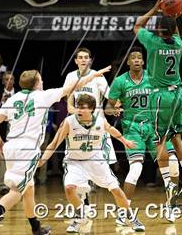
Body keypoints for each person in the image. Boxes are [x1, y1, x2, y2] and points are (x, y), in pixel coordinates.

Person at [0, 66, 111, 235]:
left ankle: (35, 228)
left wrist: (0, 143)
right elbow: (73, 86)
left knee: (28, 188)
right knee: (17, 190)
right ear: (37, 83)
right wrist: (94, 75)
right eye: (41, 79)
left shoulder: (13, 98)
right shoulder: (43, 95)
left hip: (11, 146)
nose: (43, 81)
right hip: (28, 149)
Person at [40, 94, 145, 232]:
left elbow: (111, 129)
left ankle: (131, 218)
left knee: (116, 190)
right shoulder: (69, 122)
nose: (79, 110)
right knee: (69, 188)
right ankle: (80, 216)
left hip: (96, 160)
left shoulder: (100, 121)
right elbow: (53, 144)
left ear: (92, 109)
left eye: (83, 108)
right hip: (75, 161)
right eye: (78, 107)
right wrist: (41, 161)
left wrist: (125, 141)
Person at [105, 47, 179, 223]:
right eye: (133, 58)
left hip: (155, 127)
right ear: (129, 62)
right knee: (136, 169)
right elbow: (107, 107)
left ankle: (171, 206)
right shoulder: (120, 81)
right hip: (133, 128)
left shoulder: (153, 77)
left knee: (173, 164)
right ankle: (123, 212)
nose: (137, 60)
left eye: (140, 57)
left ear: (143, 62)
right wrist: (113, 109)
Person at [133, 0, 182, 203]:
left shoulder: (152, 42)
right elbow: (174, 29)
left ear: (158, 30)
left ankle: (169, 182)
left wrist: (156, 8)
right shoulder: (178, 43)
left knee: (159, 140)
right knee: (177, 138)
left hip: (161, 97)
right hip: (178, 95)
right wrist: (172, 13)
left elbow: (137, 25)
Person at [63, 47, 117, 202]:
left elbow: (110, 96)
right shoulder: (70, 76)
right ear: (75, 61)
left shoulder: (98, 77)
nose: (83, 60)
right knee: (78, 159)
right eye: (80, 57)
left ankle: (112, 195)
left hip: (97, 125)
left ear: (90, 60)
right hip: (77, 124)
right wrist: (78, 114)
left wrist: (117, 104)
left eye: (86, 57)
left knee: (98, 160)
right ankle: (83, 199)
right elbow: (69, 102)